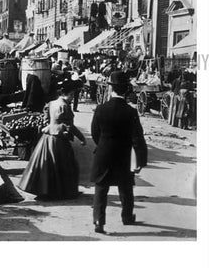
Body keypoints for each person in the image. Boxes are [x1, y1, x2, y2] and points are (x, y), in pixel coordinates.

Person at [90, 70, 148, 234]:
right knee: (126, 188)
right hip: (123, 156)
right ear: (125, 90)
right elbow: (137, 138)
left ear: (111, 89)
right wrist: (141, 160)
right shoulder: (131, 112)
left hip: (103, 154)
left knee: (101, 188)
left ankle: (98, 222)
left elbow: (95, 133)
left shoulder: (100, 109)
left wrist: (103, 145)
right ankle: (127, 217)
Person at [18, 78, 86, 199]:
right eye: (72, 95)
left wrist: (51, 126)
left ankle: (45, 191)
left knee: (46, 165)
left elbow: (45, 120)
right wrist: (81, 138)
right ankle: (64, 191)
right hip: (59, 139)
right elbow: (70, 126)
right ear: (68, 94)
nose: (72, 98)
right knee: (67, 165)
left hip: (47, 137)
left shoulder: (51, 103)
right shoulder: (65, 106)